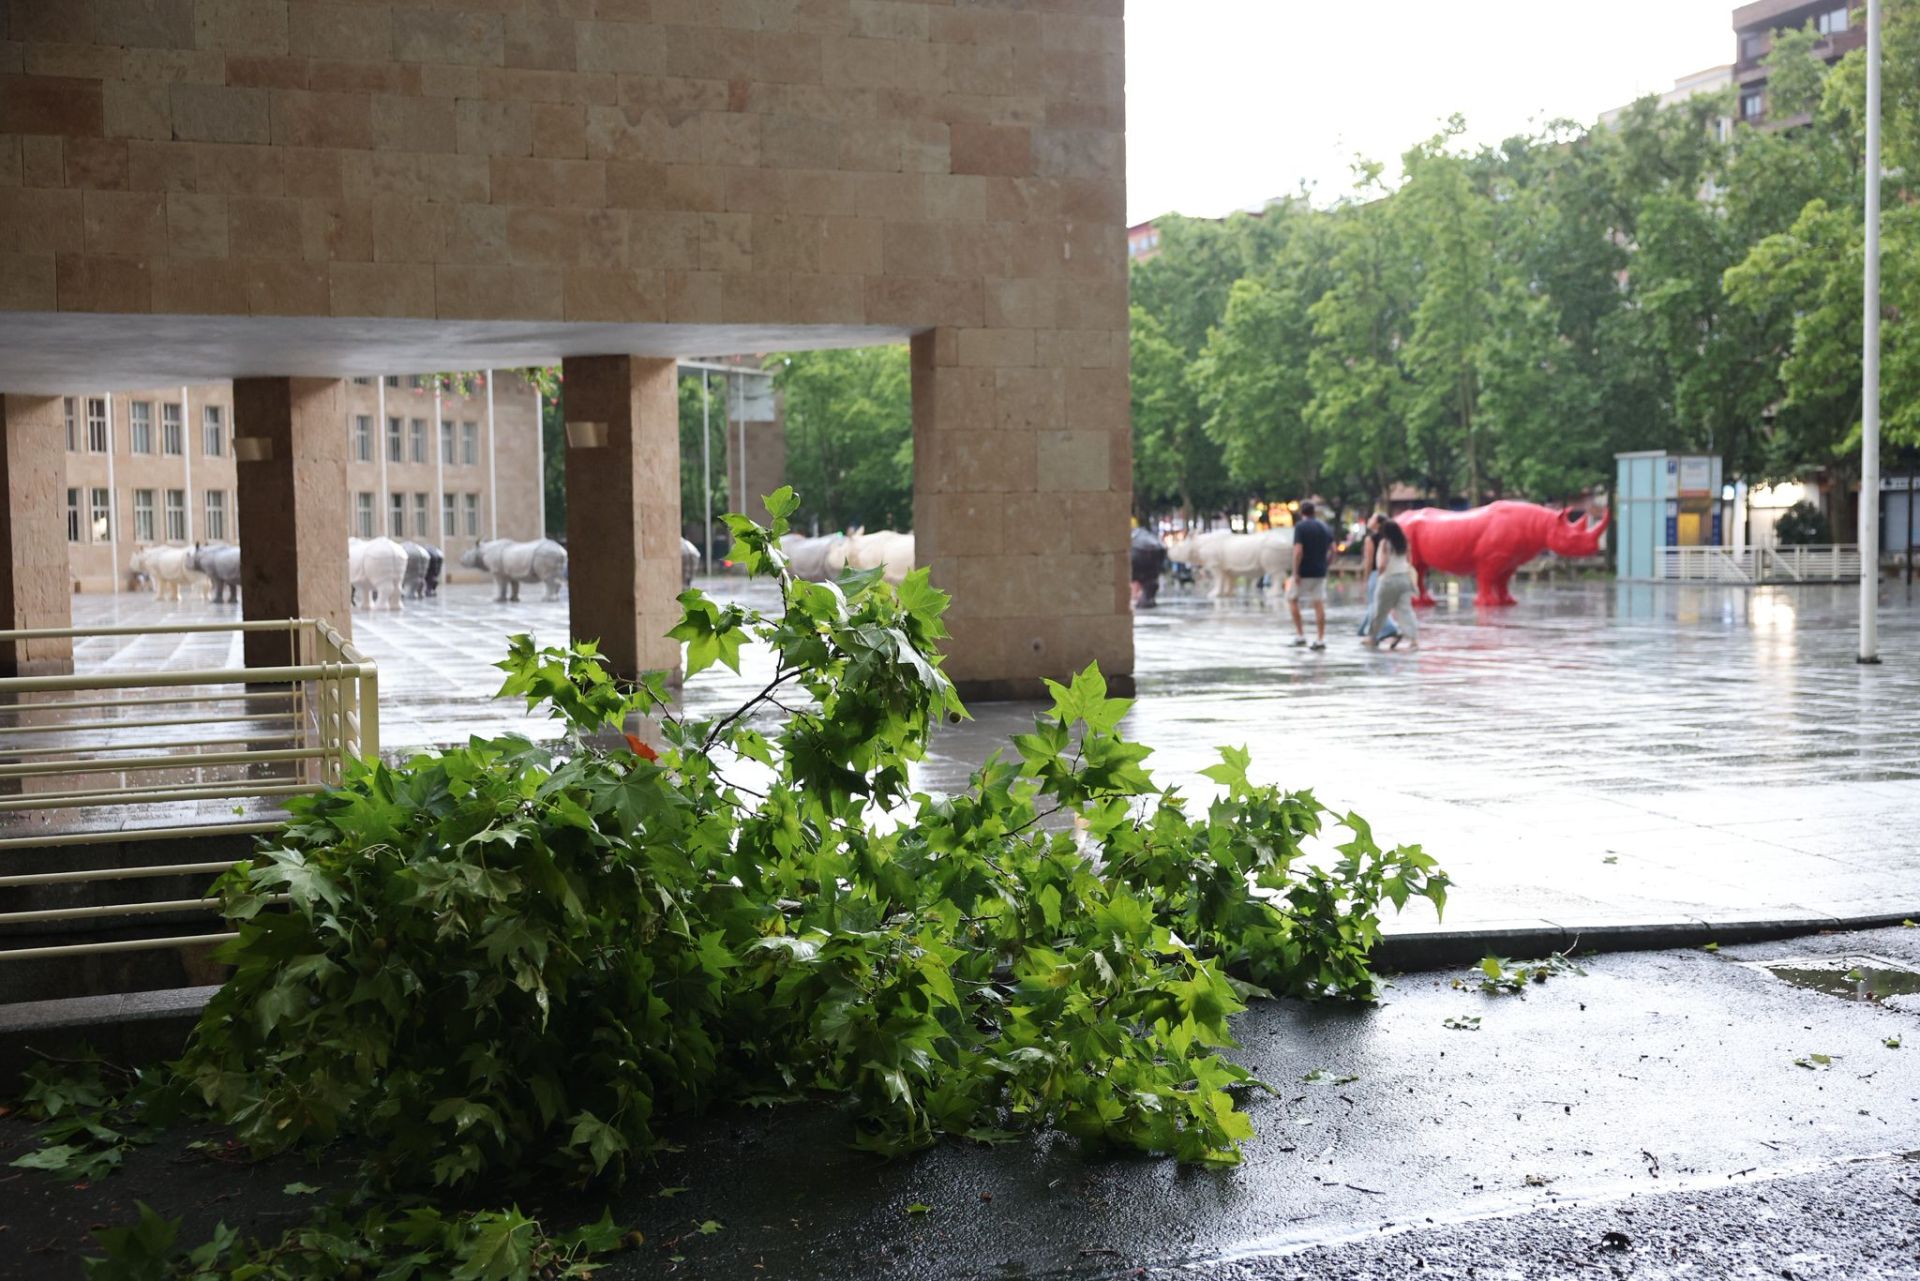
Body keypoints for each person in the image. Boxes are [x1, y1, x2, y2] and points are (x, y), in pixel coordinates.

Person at [1365, 518, 1419, 651]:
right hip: (1404, 579)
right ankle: (1413, 640)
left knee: (1380, 611)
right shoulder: (1404, 543)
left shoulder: (1385, 543)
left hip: (1388, 580)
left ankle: (1372, 638)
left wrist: (1379, 576)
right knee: (1406, 611)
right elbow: (1409, 561)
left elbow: (1383, 564)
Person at [1286, 500, 1334, 650]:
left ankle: (1301, 635)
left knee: (1292, 599)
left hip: (1304, 571)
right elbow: (1334, 549)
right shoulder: (1325, 527)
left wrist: (1295, 571)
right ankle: (1320, 639)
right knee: (1318, 603)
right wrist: (1327, 564)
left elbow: (1298, 551)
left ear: (1302, 513)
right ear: (1314, 511)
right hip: (1320, 571)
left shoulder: (1301, 527)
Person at [1354, 513, 1400, 643]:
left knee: (1374, 605)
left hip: (1376, 574)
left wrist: (1365, 578)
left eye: (1372, 518)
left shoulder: (1371, 539)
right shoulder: (1391, 538)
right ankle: (1370, 634)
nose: (1369, 520)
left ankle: (1390, 628)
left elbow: (1369, 561)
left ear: (1378, 523)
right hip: (1391, 574)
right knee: (1378, 605)